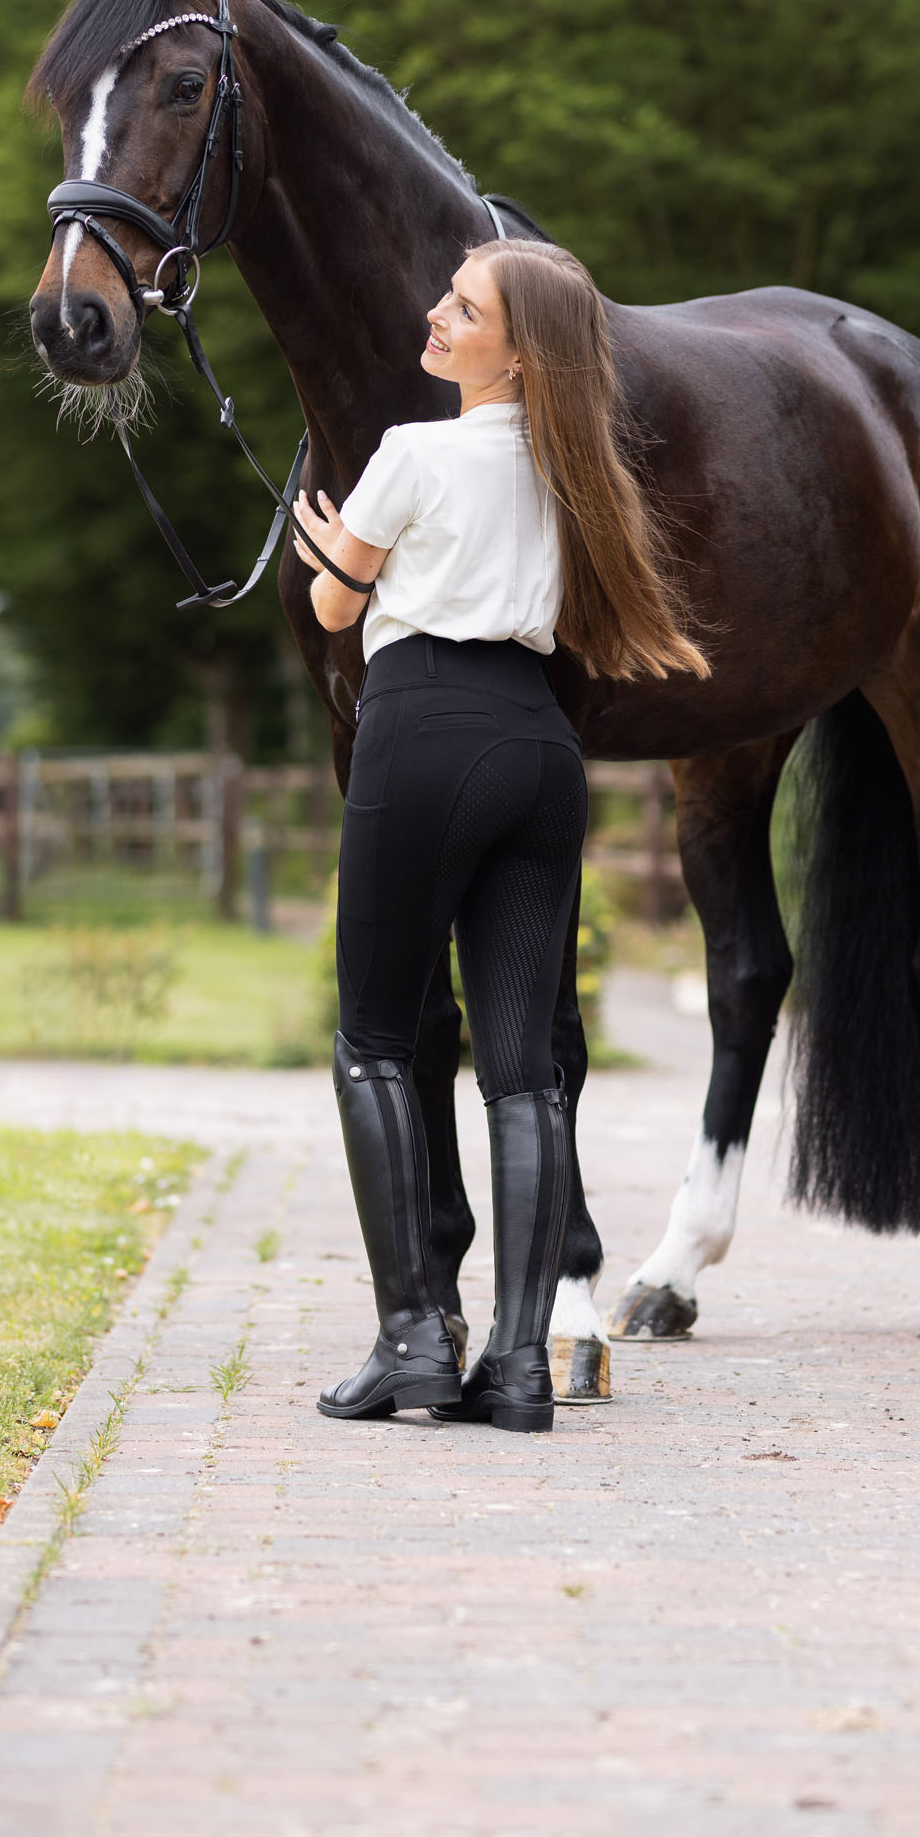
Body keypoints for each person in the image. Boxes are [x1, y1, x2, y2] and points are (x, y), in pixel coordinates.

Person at [293, 234, 708, 1433]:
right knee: (525, 1068)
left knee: (374, 1035)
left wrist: (327, 551)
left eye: (463, 306)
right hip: (537, 749)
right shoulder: (582, 475)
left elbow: (332, 606)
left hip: (422, 728)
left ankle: (414, 1335)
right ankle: (519, 1363)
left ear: (518, 355)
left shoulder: (411, 451)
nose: (435, 313)